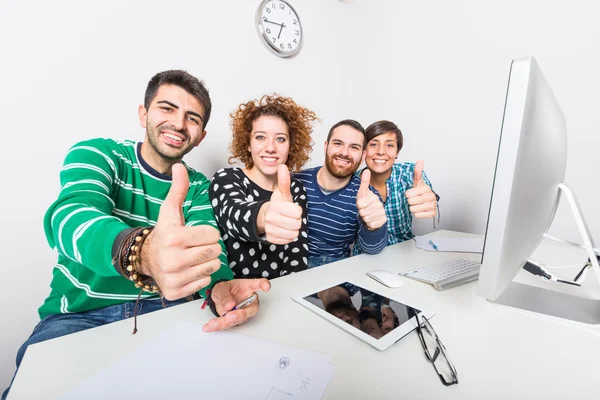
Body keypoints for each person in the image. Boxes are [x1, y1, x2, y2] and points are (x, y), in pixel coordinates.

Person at [2, 70, 270, 400]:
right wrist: (141, 250)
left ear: (200, 136)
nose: (178, 124)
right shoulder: (99, 154)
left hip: (165, 311)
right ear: (143, 113)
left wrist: (220, 287)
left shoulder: (198, 186)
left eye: (192, 118)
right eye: (166, 109)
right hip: (79, 318)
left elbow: (208, 246)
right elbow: (70, 217)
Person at [210, 94, 317, 279]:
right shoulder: (226, 178)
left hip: (277, 294)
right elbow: (235, 215)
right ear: (248, 144)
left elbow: (297, 256)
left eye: (281, 139)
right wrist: (266, 216)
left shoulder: (296, 189)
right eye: (260, 137)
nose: (270, 148)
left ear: (290, 145)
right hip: (230, 296)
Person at [293, 119, 388, 268]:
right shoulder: (296, 181)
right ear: (326, 147)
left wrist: (374, 227)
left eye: (354, 147)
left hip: (333, 268)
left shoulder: (367, 196)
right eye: (338, 143)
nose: (344, 153)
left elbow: (372, 249)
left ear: (363, 156)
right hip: (290, 266)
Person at [353, 120, 438, 255]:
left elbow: (426, 191)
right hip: (365, 256)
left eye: (389, 145)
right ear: (364, 151)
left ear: (397, 152)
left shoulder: (409, 172)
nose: (381, 152)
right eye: (374, 144)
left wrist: (430, 197)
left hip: (405, 253)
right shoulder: (352, 183)